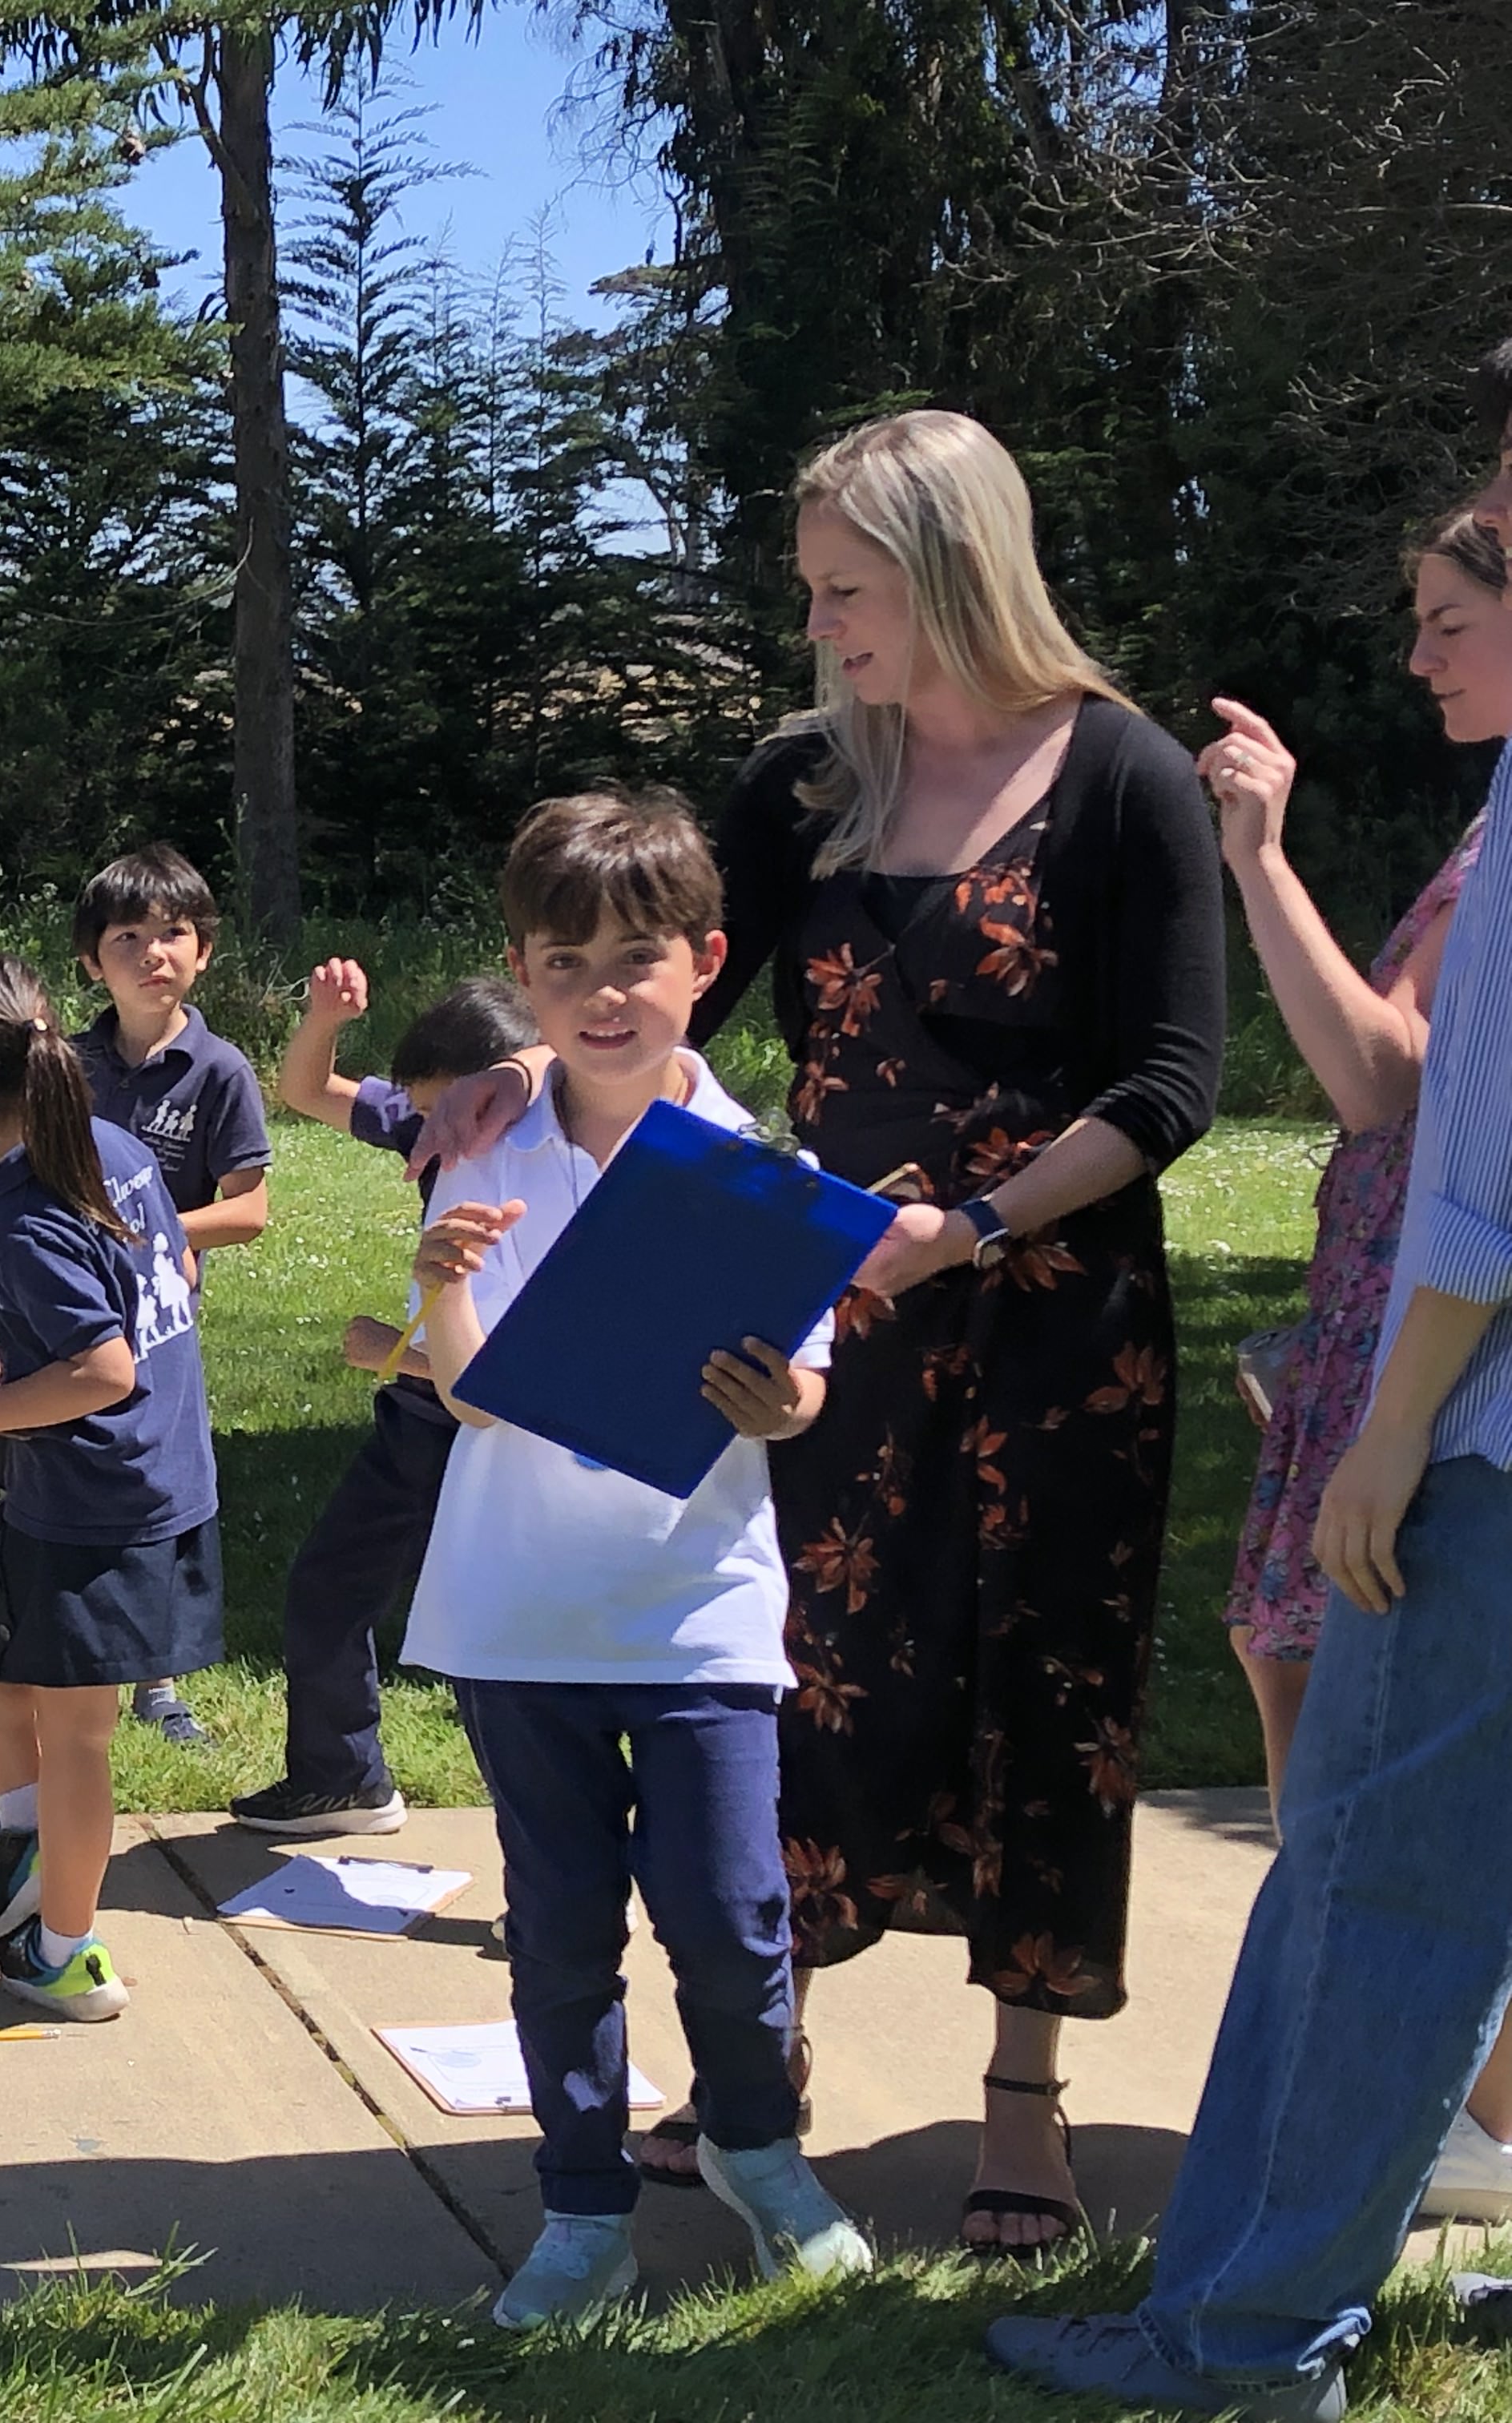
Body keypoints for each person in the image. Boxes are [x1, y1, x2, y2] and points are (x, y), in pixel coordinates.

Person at [427, 410, 1225, 2248]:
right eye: (811, 591)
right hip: (819, 1294)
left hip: (1052, 1307)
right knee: (818, 1676)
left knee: (1047, 1694)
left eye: (846, 591)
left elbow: (1175, 1079)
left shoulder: (1125, 777)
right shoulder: (807, 775)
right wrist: (505, 1080)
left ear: (954, 575)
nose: (821, 628)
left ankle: (1024, 2096)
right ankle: (759, 2067)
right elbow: (660, 952)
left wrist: (973, 1232)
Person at [985, 342, 1512, 2423]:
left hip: (1476, 1433)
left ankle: (1238, 2344)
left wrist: (1389, 1427)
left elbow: (1465, 1153)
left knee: (1370, 1895)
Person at [401, 790, 870, 2328]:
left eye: (636, 957)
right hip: (519, 1606)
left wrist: (780, 1399)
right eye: (562, 964)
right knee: (556, 1930)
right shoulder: (484, 1146)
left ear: (703, 961)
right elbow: (466, 1389)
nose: (602, 993)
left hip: (696, 1611)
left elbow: (800, 1383)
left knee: (733, 1918)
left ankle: (758, 2152)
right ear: (521, 977)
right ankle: (582, 2204)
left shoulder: (752, 1170)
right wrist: (439, 1287)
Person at [1195, 508, 1507, 2226]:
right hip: (1379, 1326)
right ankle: (1395, 2089)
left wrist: (1260, 858)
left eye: (1452, 617)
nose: (1418, 656)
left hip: (1438, 1342)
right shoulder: (1488, 830)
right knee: (1299, 1676)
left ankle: (1466, 2126)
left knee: (1383, 1740)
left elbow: (1389, 1085)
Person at [0, 951, 222, 2022]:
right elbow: (146, 1292)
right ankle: (24, 1827)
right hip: (148, 1472)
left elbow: (101, 1370)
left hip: (101, 1500)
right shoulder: (109, 1150)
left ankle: (66, 1953)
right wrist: (17, 1354)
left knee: (82, 1736)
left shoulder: (24, 1213)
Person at [229, 965, 538, 1836]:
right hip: (419, 1420)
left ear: (507, 1090)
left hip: (481, 1437)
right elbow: (302, 1088)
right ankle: (342, 1779)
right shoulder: (436, 1130)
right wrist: (324, 1018)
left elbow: (519, 1377)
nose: (431, 1132)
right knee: (328, 1589)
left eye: (448, 1110)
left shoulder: (544, 1180)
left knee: (499, 1658)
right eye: (422, 1111)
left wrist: (393, 1356)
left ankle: (557, 1866)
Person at [70, 843, 272, 1745]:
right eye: (129, 936)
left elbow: (252, 1210)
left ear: (204, 951)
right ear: (90, 961)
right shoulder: (63, 1066)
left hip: (158, 1321)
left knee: (155, 1488)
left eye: (174, 933)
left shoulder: (218, 1070)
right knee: (40, 1466)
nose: (154, 952)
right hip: (62, 1306)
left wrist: (148, 1228)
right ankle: (34, 1654)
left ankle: (159, 1682)